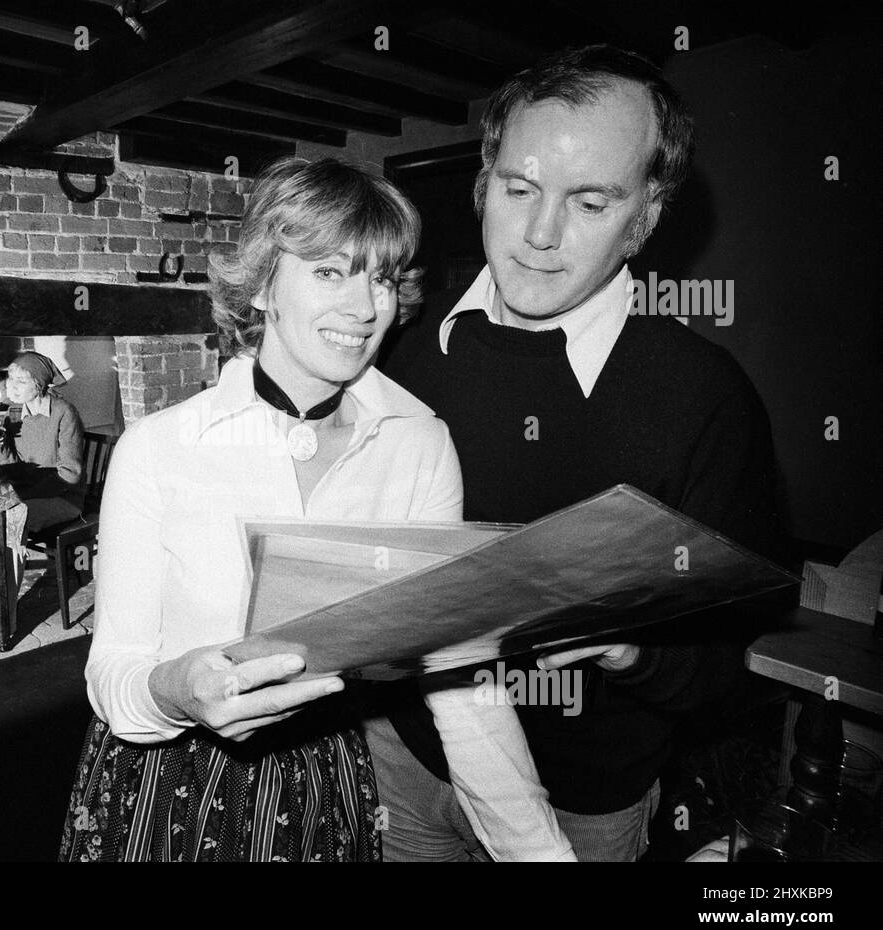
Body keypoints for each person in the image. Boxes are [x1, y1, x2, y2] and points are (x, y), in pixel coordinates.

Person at [59, 157, 574, 862]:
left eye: (382, 276)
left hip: (321, 787)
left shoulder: (419, 444)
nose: (365, 308)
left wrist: (540, 853)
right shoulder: (159, 447)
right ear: (265, 284)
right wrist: (176, 689)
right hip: (166, 782)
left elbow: (461, 676)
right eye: (330, 271)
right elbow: (112, 672)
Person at [378, 45, 785, 861]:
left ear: (646, 216)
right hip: (407, 764)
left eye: (590, 201)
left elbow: (753, 660)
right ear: (483, 180)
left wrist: (634, 645)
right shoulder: (399, 349)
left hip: (583, 810)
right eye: (518, 188)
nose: (538, 233)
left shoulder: (704, 396)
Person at [0, 352, 86, 652]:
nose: (12, 386)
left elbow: (70, 474)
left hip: (64, 499)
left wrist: (22, 495)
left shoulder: (64, 413)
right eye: (11, 379)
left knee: (8, 517)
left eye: (21, 380)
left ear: (40, 384)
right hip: (29, 499)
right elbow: (15, 469)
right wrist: (1, 446)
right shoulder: (16, 414)